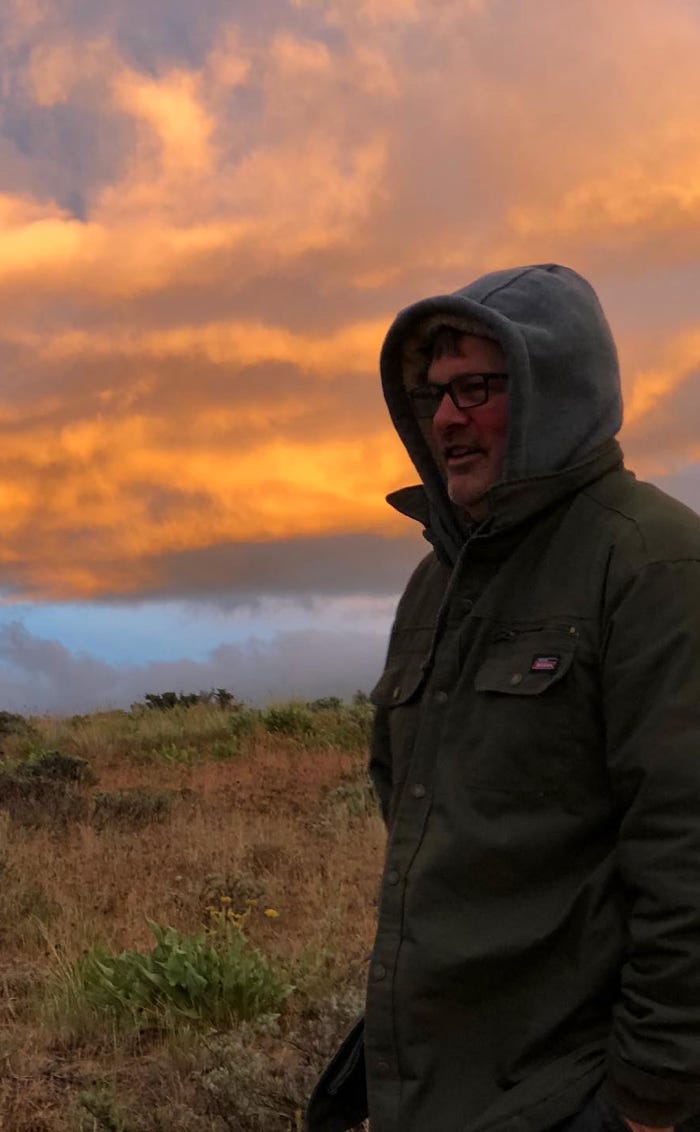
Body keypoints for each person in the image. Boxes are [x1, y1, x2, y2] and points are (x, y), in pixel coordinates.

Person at [304, 264, 700, 1132]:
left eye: (478, 387)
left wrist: (649, 1101)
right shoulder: (435, 583)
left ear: (555, 391)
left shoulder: (653, 565)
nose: (446, 417)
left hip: (576, 1093)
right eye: (434, 393)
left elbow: (687, 857)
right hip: (447, 1086)